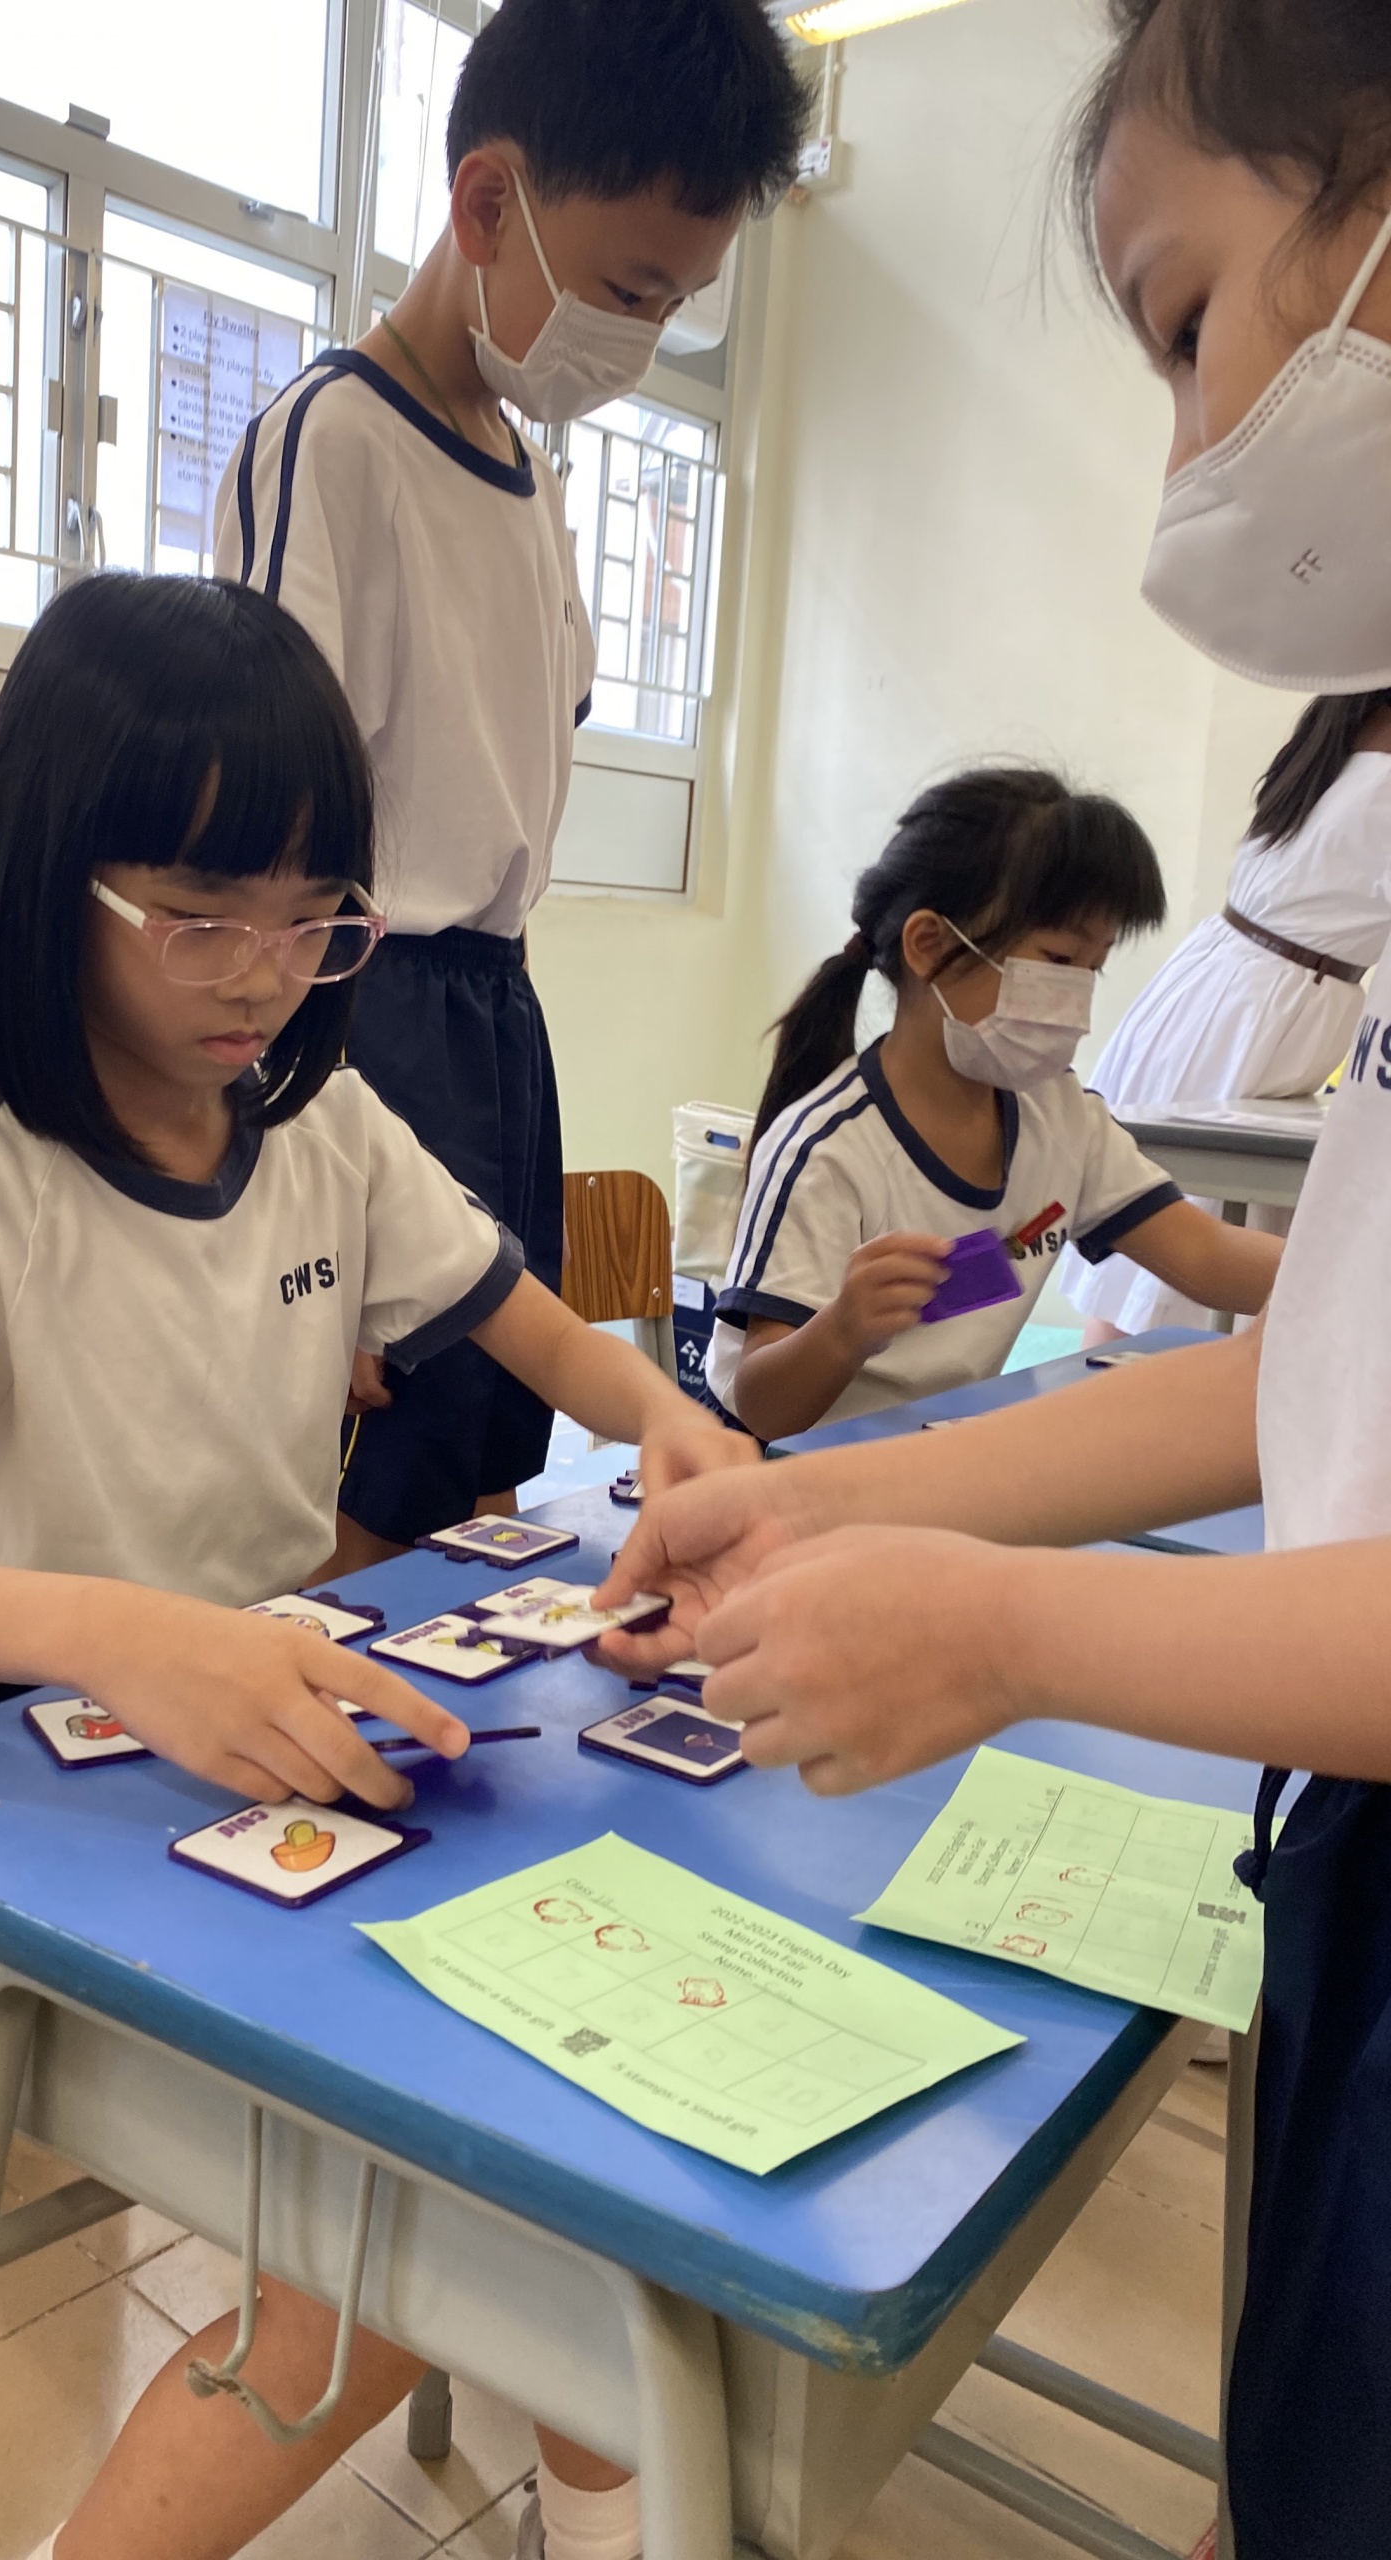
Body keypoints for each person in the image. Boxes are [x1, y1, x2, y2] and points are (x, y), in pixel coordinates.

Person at [594, 7, 1391, 2555]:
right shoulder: (828, 1144)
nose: (1183, 454)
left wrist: (1004, 1618)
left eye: (1185, 324)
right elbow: (1317, 1367)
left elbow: (1229, 1298)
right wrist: (850, 1498)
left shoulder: (1066, 1121)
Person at [0, 572, 739, 2560]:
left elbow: (543, 1332)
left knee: (582, 2085)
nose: (265, 973)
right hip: (8, 1786)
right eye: (201, 914)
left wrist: (675, 1425)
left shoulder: (327, 1132)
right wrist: (126, 1633)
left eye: (314, 916)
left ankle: (600, 2502)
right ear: (50, 884)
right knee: (397, 2238)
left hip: (262, 1730)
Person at [215, 0, 809, 1580]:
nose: (641, 339)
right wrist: (265, 1161)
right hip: (351, 1005)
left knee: (482, 1447)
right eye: (628, 290)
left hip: (494, 1009)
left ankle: (440, 1703)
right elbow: (256, 829)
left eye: (676, 304)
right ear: (488, 203)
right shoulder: (332, 439)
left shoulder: (536, 479)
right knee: (356, 1471)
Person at [708, 767, 1281, 1442]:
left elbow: (1205, 1256)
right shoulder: (826, 1149)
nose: (1078, 998)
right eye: (1058, 960)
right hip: (788, 1470)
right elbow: (763, 1410)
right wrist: (843, 1330)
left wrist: (1355, 1272)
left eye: (1093, 968)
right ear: (929, 945)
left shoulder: (1060, 1117)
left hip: (937, 1454)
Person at [1062, 688, 1391, 1336]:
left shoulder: (1335, 728)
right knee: (1174, 1241)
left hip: (1230, 986)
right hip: (1258, 1009)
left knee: (1158, 1248)